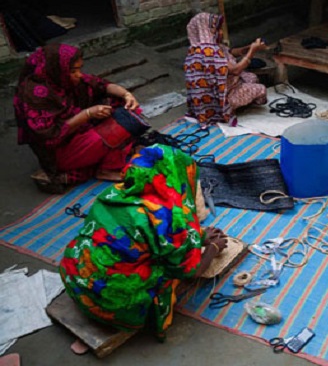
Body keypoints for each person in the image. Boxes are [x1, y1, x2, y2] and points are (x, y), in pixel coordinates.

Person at [59, 144, 228, 341]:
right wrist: (212, 249)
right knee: (166, 269)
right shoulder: (168, 217)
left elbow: (142, 235)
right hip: (110, 302)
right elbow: (190, 271)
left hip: (75, 276)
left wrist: (197, 237)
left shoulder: (114, 194)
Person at [13, 43, 140, 187]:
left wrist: (126, 94)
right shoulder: (35, 96)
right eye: (74, 71)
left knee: (126, 108)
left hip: (79, 133)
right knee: (122, 126)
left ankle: (108, 155)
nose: (79, 74)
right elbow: (51, 135)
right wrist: (87, 114)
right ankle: (106, 168)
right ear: (57, 70)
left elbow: (101, 85)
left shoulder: (63, 78)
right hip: (60, 151)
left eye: (79, 69)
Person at [184, 12, 267, 126]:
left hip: (215, 92)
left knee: (252, 77)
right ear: (203, 29)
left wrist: (249, 47)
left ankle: (238, 101)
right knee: (261, 89)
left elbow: (231, 52)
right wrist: (252, 50)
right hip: (219, 99)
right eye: (216, 29)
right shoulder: (208, 52)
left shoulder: (198, 47)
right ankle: (227, 110)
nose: (221, 33)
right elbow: (236, 70)